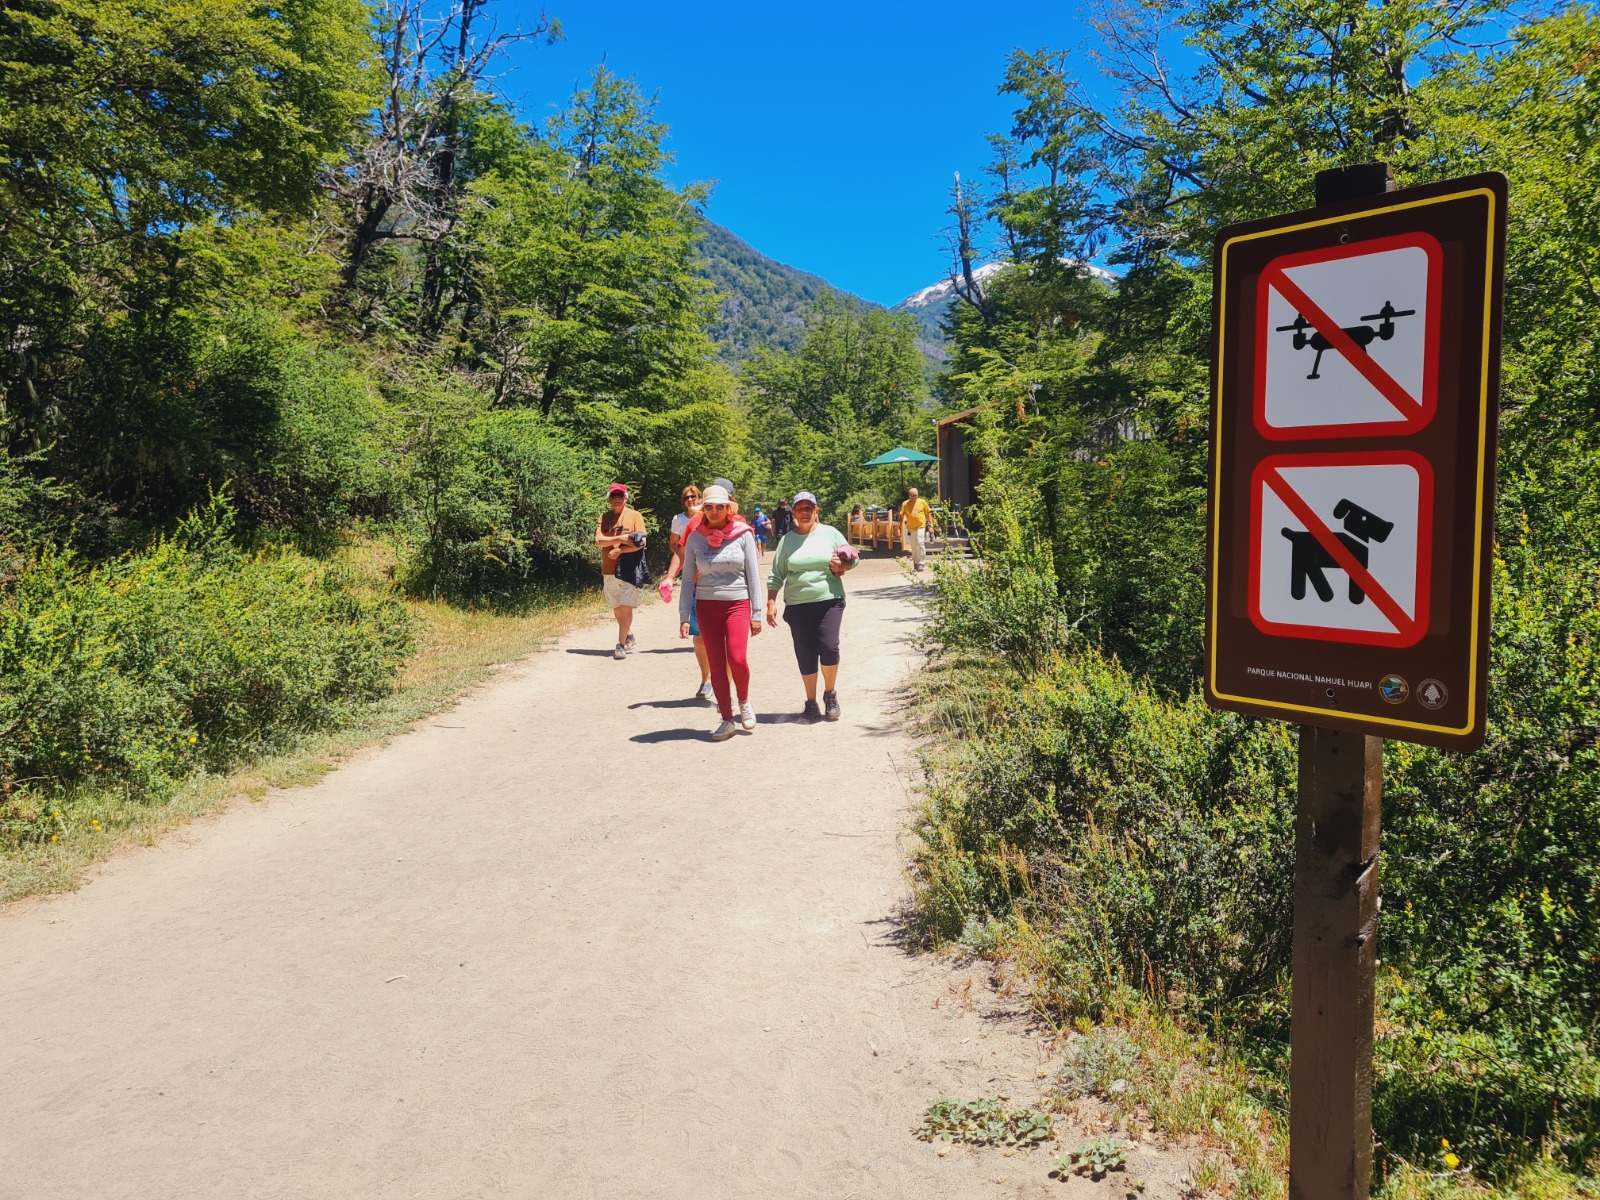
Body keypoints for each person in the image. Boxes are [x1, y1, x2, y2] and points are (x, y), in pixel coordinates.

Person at [678, 484, 764, 741]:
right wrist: (684, 615)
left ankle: (744, 702)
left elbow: (753, 575)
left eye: (719, 506)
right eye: (709, 506)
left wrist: (756, 613)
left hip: (737, 603)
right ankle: (727, 719)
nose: (714, 511)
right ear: (702, 509)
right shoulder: (695, 538)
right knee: (716, 664)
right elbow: (687, 580)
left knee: (737, 659)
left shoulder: (743, 534)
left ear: (728, 508)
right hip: (706, 606)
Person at [766, 491, 857, 722]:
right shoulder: (787, 540)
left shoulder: (831, 533)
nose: (804, 512)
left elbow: (852, 557)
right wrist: (771, 602)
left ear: (816, 511)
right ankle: (810, 703)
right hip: (798, 604)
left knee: (828, 646)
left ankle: (830, 695)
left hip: (829, 599)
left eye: (809, 508)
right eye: (800, 508)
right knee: (805, 653)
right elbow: (777, 574)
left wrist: (843, 565)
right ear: (793, 512)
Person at [662, 484, 714, 703]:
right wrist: (670, 577)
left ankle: (730, 691)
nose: (691, 500)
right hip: (697, 586)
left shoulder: (735, 523)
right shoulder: (690, 523)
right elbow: (680, 551)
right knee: (700, 639)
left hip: (726, 590)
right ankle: (707, 680)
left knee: (724, 641)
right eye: (687, 497)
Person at [595, 483, 648, 659]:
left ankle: (620, 644)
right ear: (609, 499)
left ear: (626, 498)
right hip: (609, 569)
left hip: (629, 568)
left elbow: (641, 542)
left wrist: (620, 549)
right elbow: (598, 541)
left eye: (620, 496)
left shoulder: (635, 516)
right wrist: (621, 538)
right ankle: (628, 633)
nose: (617, 499)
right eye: (613, 496)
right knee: (617, 608)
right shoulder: (604, 517)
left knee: (626, 607)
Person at [900, 486, 934, 572]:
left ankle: (921, 563)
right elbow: (902, 516)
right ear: (909, 495)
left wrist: (931, 526)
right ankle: (915, 562)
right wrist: (899, 527)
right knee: (913, 545)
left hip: (921, 526)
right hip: (911, 527)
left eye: (914, 495)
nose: (913, 497)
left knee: (920, 541)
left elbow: (928, 514)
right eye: (911, 495)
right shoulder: (905, 504)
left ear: (917, 495)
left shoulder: (922, 502)